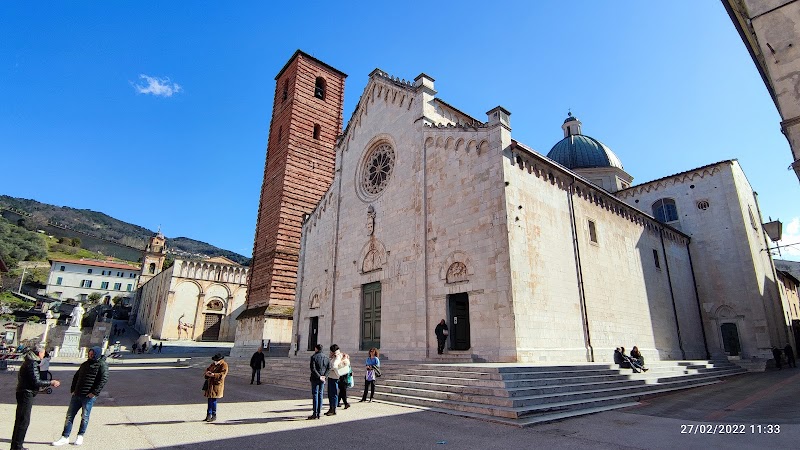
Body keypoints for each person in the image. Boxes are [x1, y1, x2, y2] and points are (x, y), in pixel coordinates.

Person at [52, 346, 108, 447]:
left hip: (88, 396)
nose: (90, 356)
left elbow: (103, 379)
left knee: (84, 417)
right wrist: (73, 390)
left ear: (97, 354)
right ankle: (65, 437)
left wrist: (94, 393)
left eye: (92, 354)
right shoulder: (84, 364)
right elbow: (76, 377)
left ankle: (80, 436)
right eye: (89, 354)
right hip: (77, 394)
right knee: (69, 416)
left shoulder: (102, 365)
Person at [11, 343, 61, 450]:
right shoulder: (32, 363)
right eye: (43, 353)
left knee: (21, 420)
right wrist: (51, 382)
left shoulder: (29, 361)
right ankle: (17, 447)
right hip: (26, 393)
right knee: (23, 421)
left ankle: (17, 446)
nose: (44, 355)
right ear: (39, 353)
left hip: (24, 392)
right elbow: (36, 381)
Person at [202, 353, 228, 422]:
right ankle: (208, 415)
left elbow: (222, 375)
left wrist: (214, 375)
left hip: (216, 385)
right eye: (215, 360)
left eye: (216, 360)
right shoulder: (213, 364)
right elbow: (207, 369)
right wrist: (207, 373)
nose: (215, 361)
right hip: (210, 384)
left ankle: (214, 415)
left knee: (213, 400)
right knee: (209, 400)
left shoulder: (224, 365)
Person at [325, 344, 348, 416]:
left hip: (334, 377)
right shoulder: (335, 356)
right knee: (330, 393)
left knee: (333, 393)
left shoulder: (337, 356)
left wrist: (331, 369)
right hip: (332, 377)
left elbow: (334, 366)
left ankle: (333, 409)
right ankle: (331, 408)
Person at [308, 344, 330, 420]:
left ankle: (315, 413)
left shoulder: (314, 357)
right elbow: (329, 368)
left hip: (315, 378)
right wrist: (324, 376)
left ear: (316, 349)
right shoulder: (326, 357)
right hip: (322, 378)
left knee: (315, 394)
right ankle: (319, 413)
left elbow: (313, 369)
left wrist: (319, 376)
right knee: (320, 394)